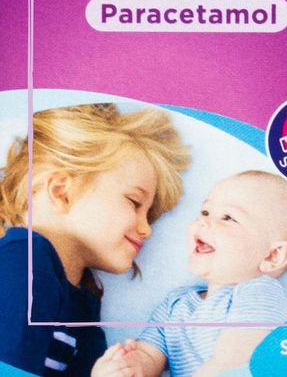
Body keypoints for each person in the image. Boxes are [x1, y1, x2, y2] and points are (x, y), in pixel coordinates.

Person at [0, 103, 190, 377]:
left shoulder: (82, 302)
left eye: (149, 215)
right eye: (135, 203)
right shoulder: (22, 263)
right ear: (61, 191)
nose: (146, 229)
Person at [96, 170, 287, 377]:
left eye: (228, 218)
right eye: (205, 211)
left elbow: (237, 358)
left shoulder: (259, 292)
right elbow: (150, 353)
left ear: (272, 256)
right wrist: (130, 365)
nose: (203, 220)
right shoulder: (176, 304)